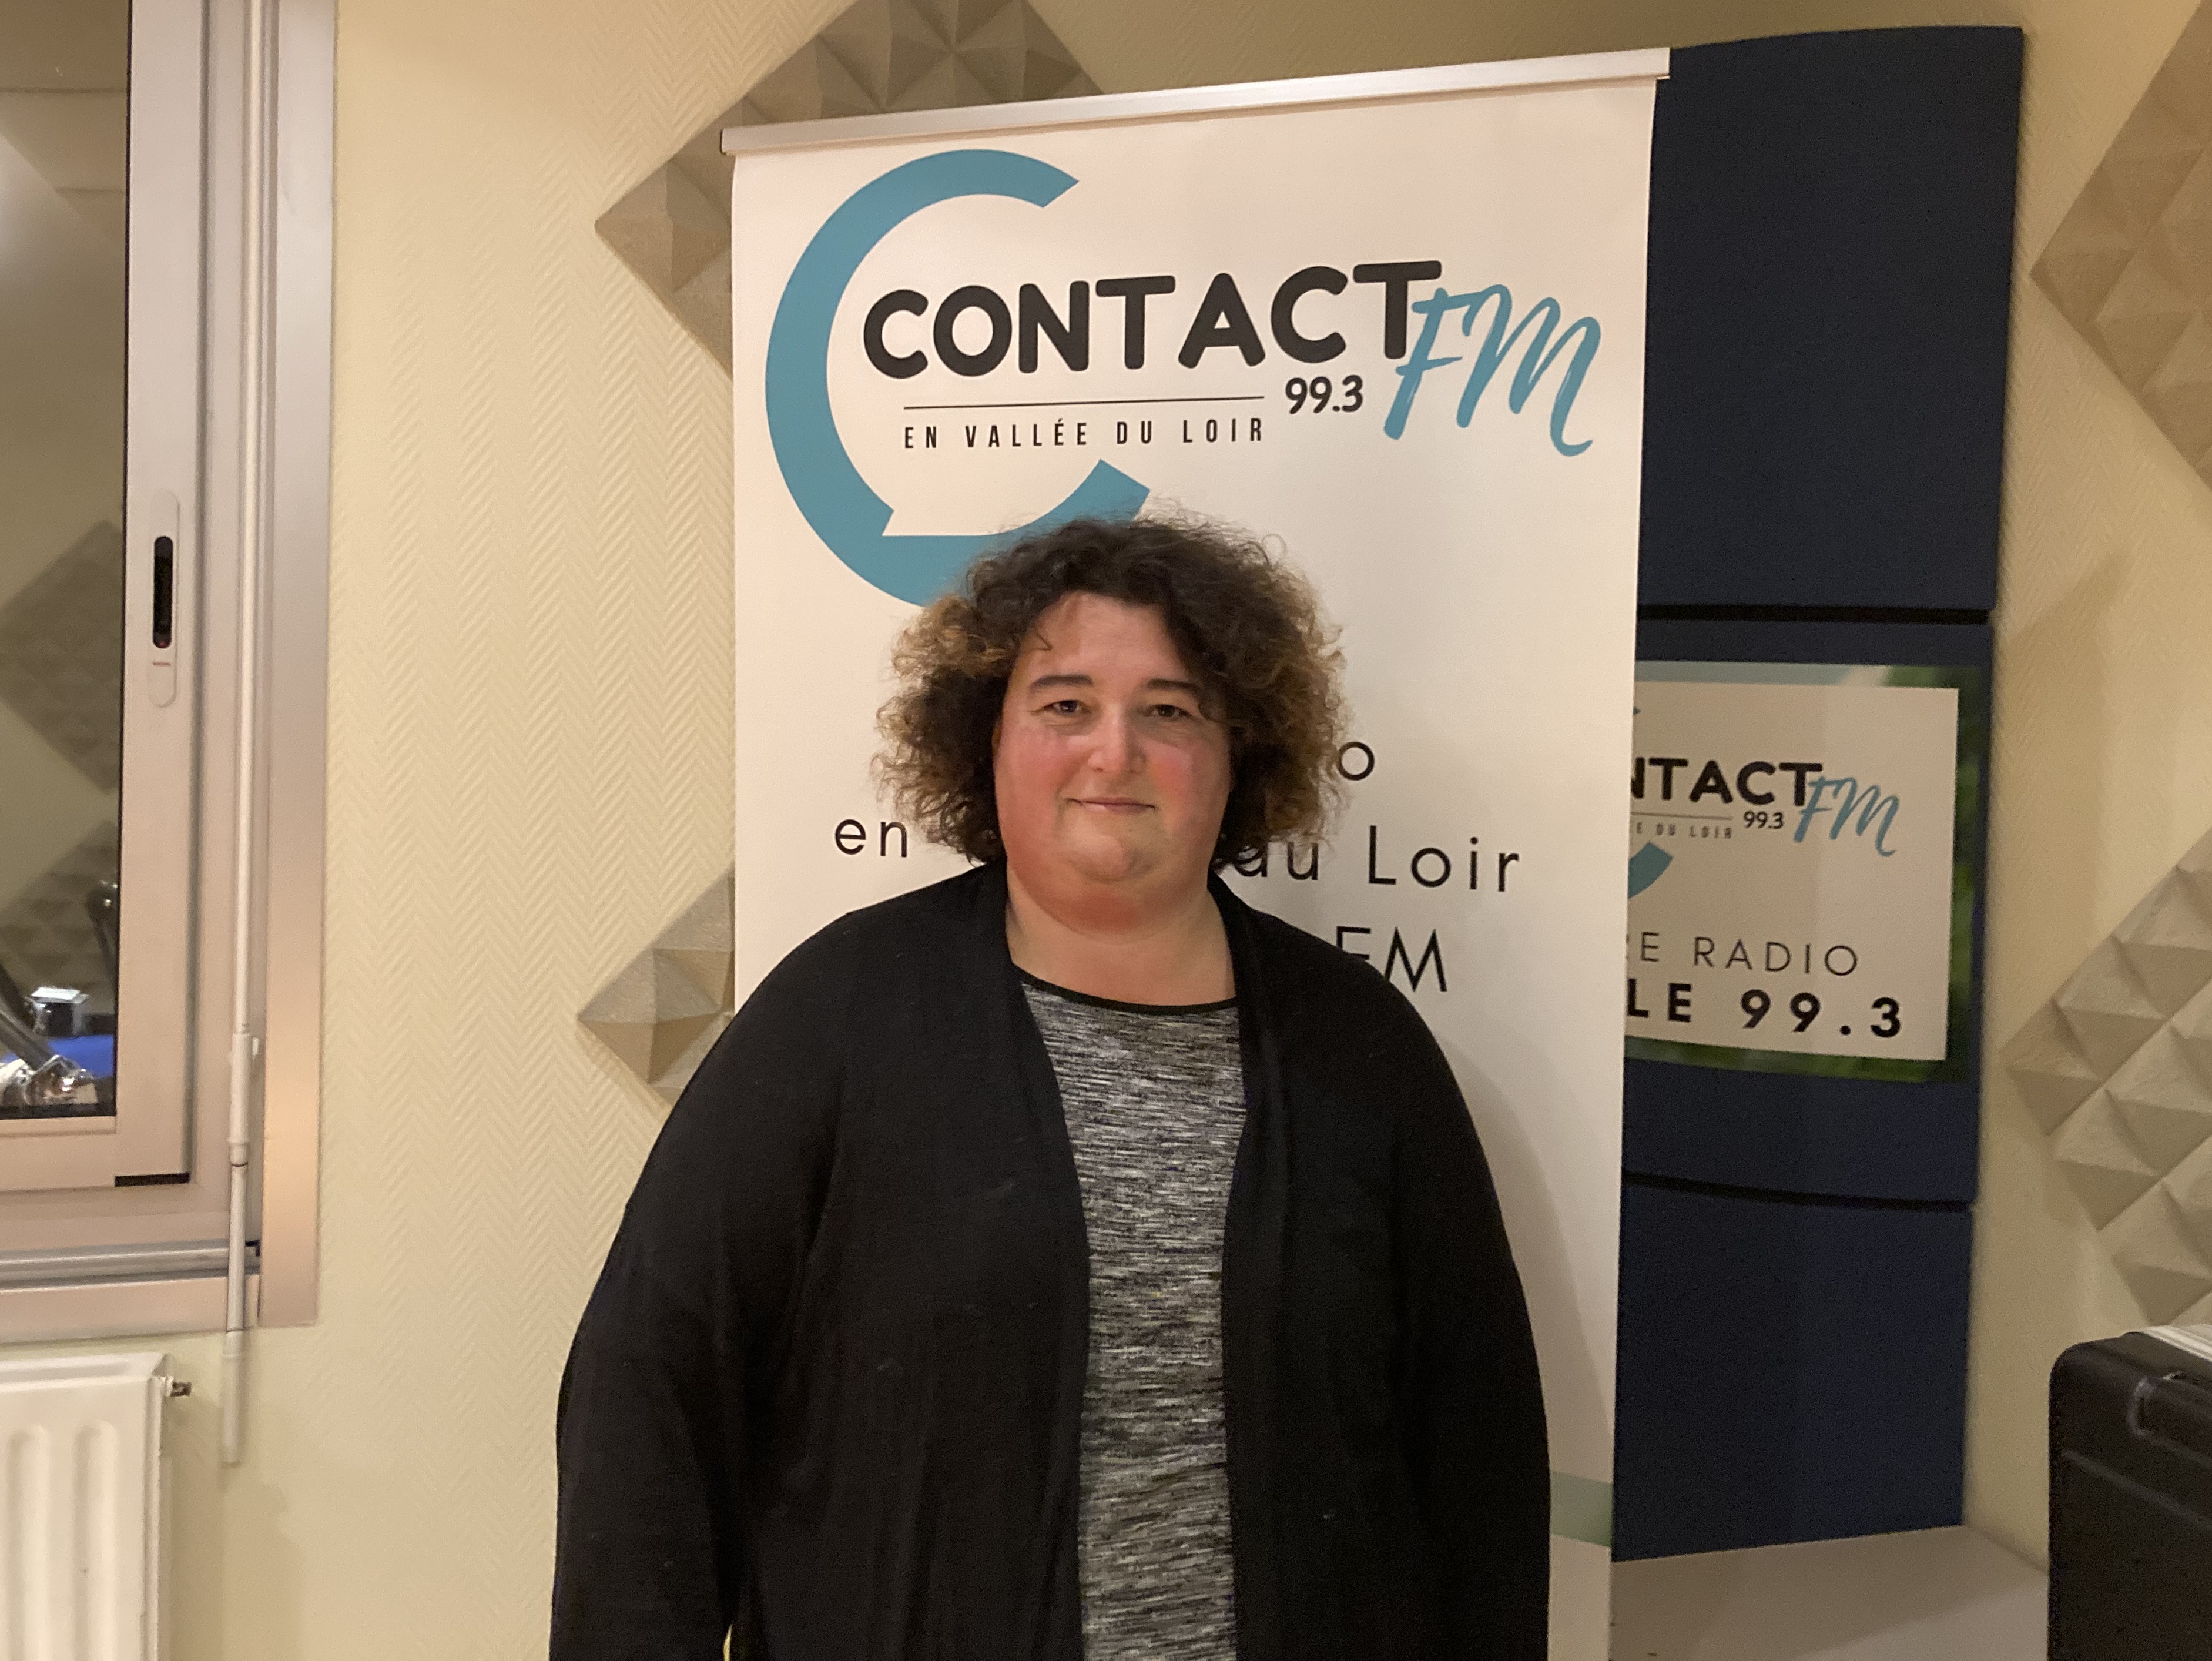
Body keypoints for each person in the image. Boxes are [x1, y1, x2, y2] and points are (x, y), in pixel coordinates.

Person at [551, 514, 1549, 1661]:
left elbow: (1477, 1456)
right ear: (988, 740)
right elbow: (651, 1393)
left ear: (1238, 754)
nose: (1114, 753)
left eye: (1169, 712)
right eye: (1066, 705)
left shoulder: (1361, 1049)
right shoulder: (838, 1016)